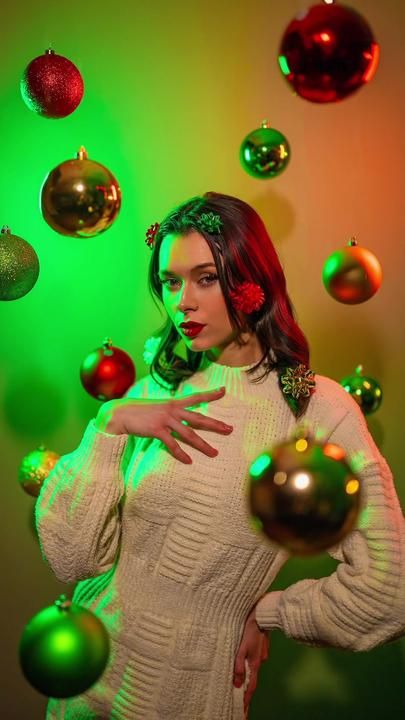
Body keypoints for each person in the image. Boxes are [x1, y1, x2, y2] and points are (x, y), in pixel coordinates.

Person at [36, 191, 405, 720]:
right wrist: (108, 424)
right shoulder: (156, 388)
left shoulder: (316, 410)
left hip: (189, 694)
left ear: (251, 278)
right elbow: (74, 561)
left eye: (205, 278)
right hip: (86, 679)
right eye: (169, 281)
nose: (182, 301)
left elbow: (389, 591)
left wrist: (267, 611)